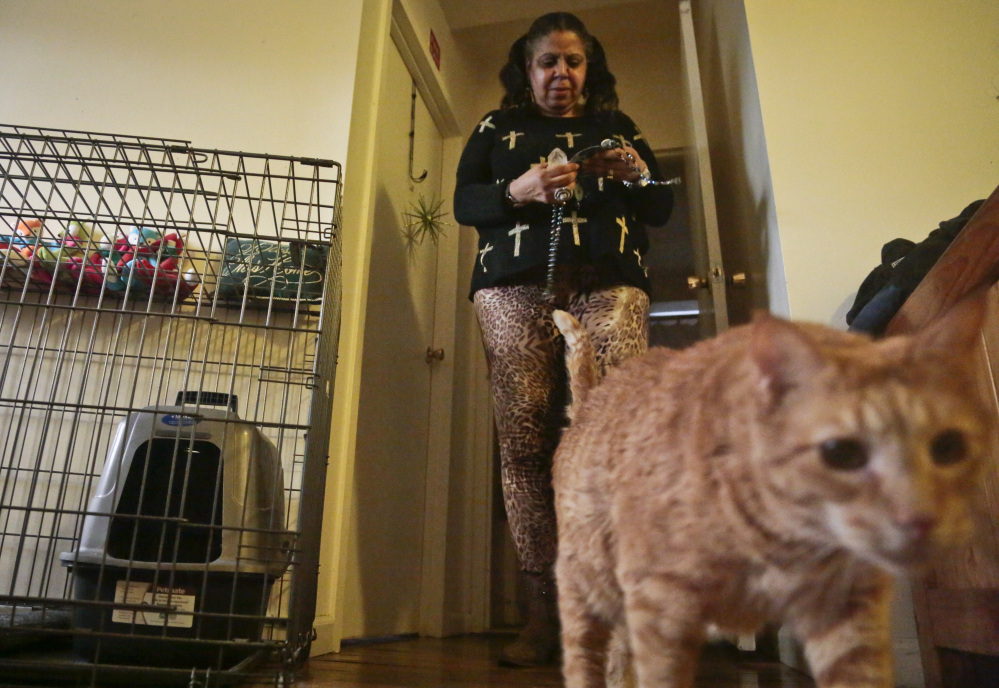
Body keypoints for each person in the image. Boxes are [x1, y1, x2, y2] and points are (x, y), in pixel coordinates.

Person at [453, 12, 674, 667]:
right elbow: (467, 203)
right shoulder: (495, 128)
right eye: (547, 61)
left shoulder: (617, 126)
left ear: (588, 68)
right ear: (527, 70)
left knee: (613, 441)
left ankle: (614, 612)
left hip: (608, 284)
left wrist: (634, 173)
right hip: (511, 289)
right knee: (523, 445)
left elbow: (659, 206)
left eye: (573, 62)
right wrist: (515, 190)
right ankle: (544, 617)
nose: (560, 73)